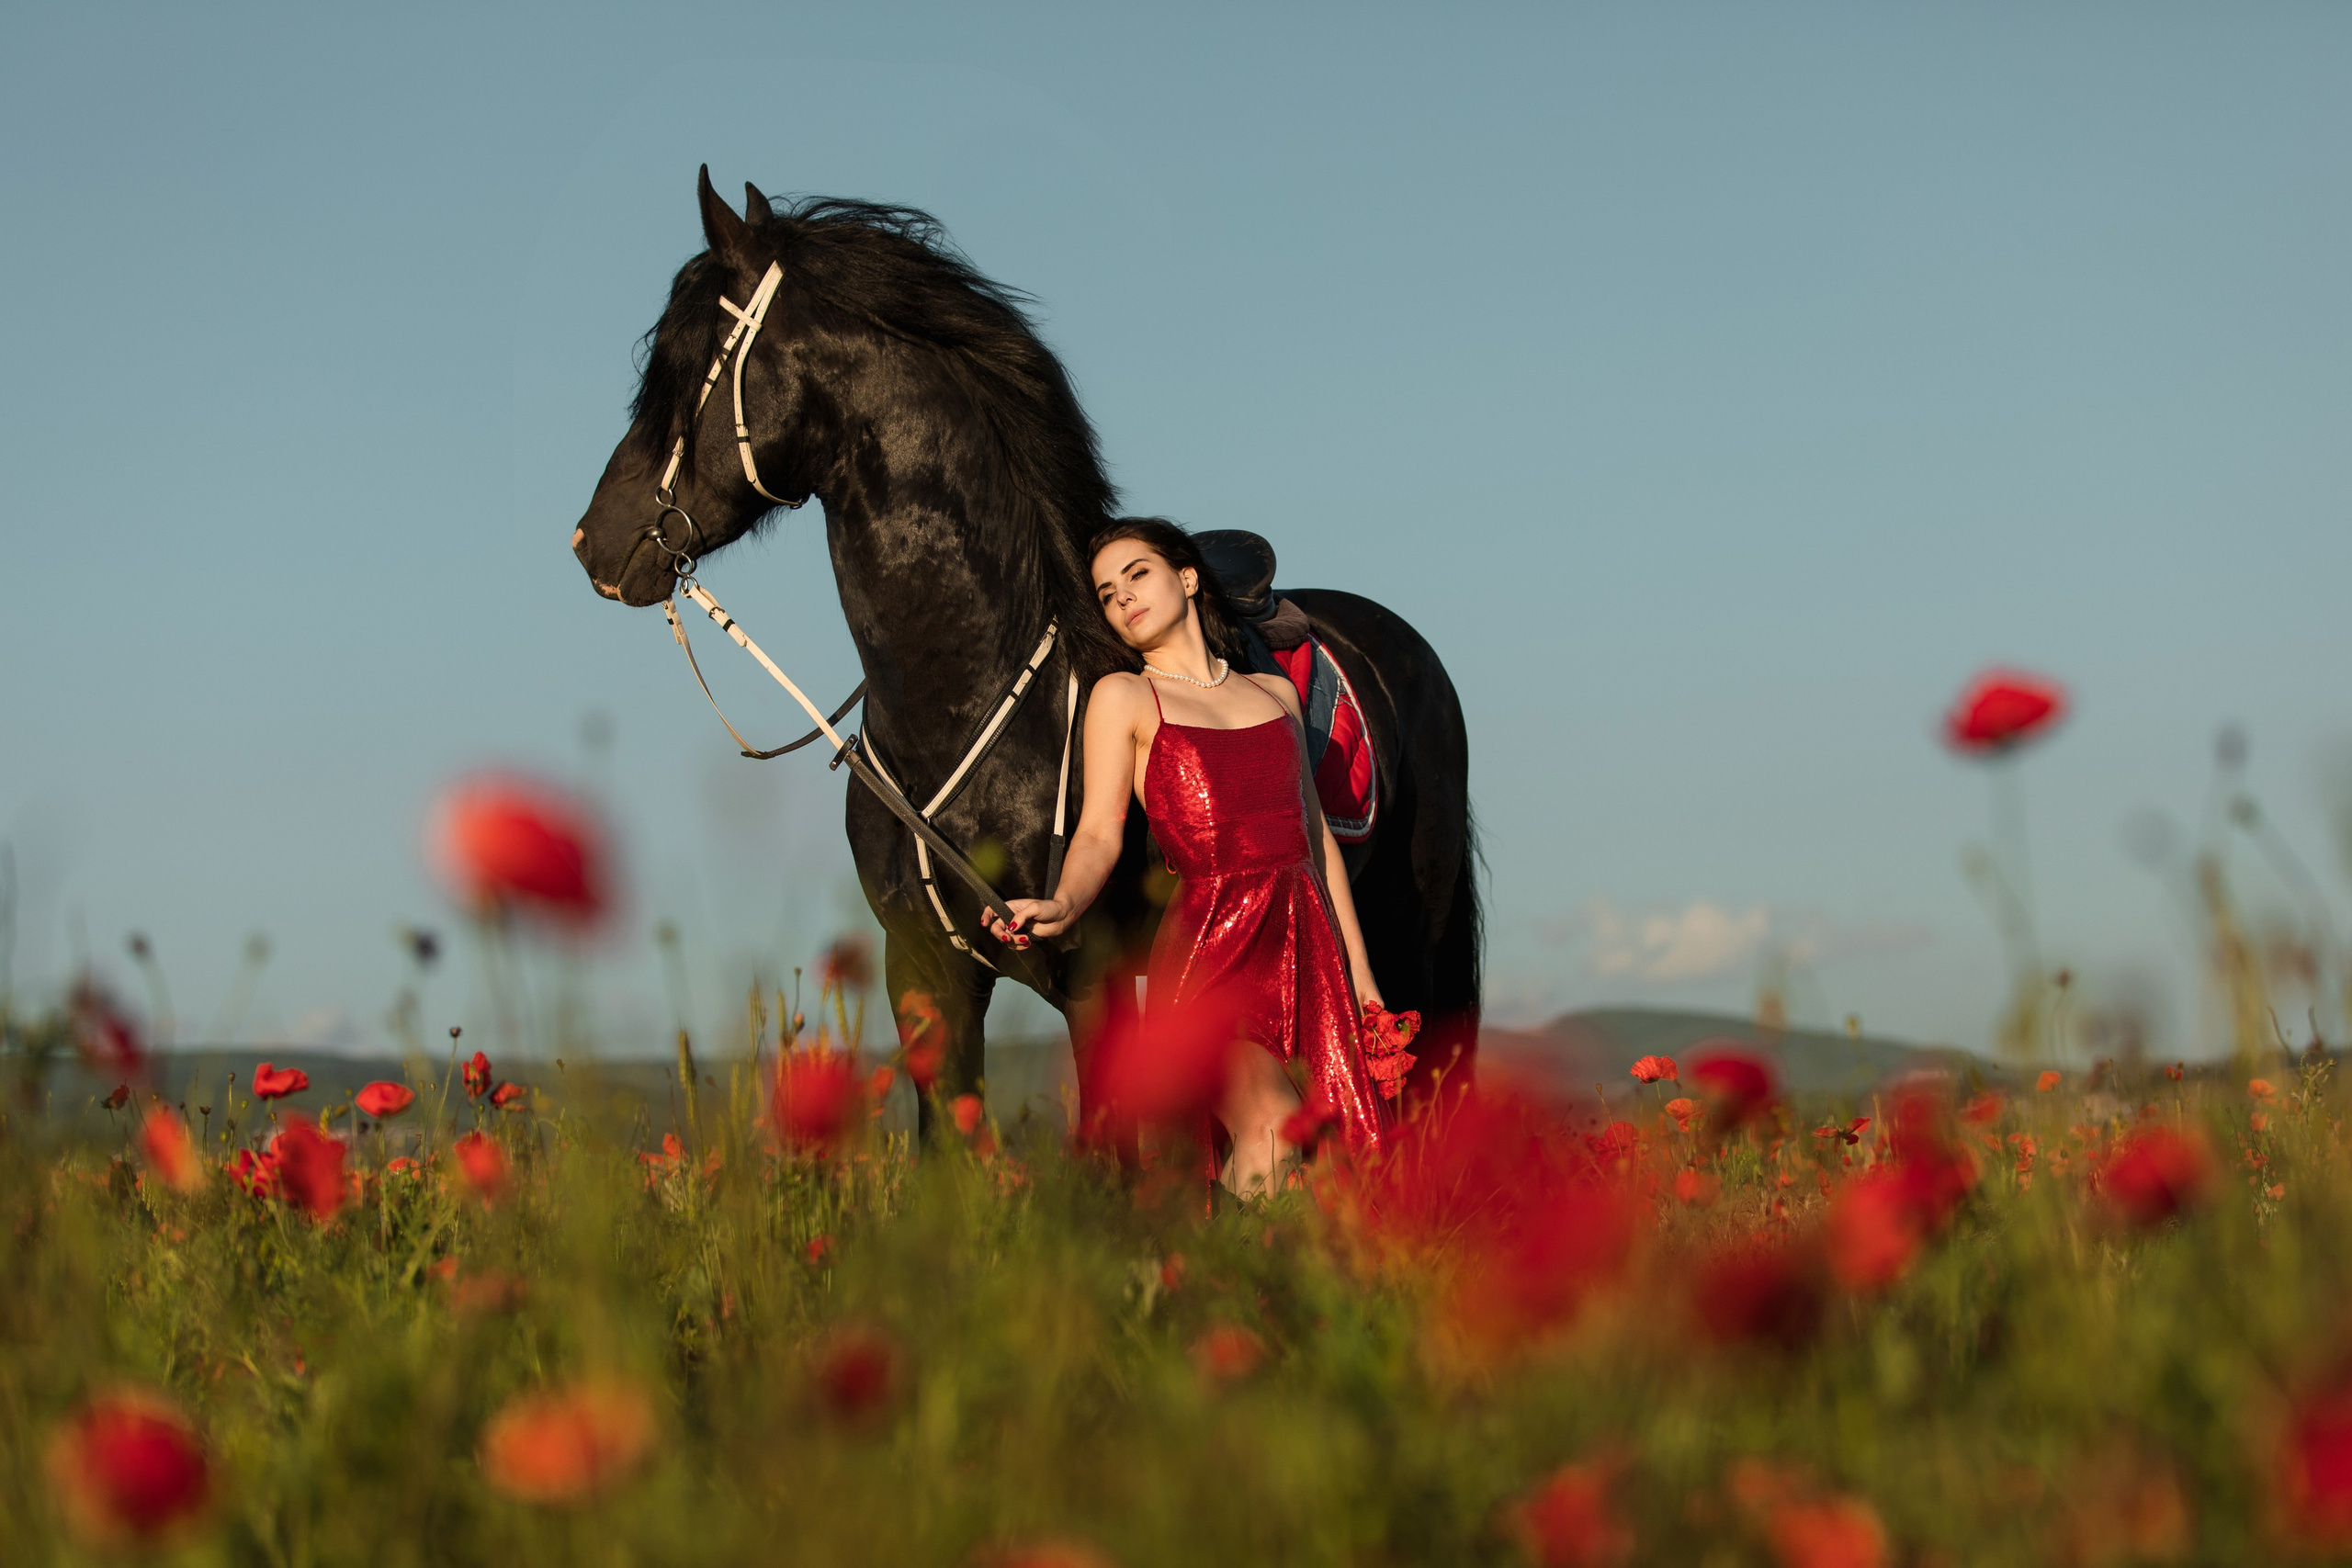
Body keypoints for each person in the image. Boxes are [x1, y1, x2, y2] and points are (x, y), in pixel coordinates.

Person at [983, 518, 1393, 1195]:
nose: (1123, 599)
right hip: (1211, 954)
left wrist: (1362, 973)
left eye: (1137, 574)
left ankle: (1223, 1286)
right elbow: (1098, 834)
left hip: (1305, 947)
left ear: (1189, 576)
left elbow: (1316, 843)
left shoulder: (1276, 694)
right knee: (1274, 1128)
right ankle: (1212, 1275)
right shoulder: (1124, 697)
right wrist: (1062, 901)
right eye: (1108, 594)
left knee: (1328, 1174)